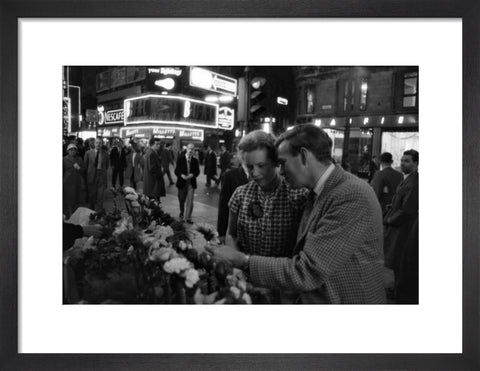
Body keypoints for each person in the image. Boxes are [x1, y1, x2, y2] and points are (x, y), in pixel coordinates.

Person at [209, 124, 386, 304]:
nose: (282, 171)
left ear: (303, 155)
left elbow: (308, 270)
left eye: (282, 163)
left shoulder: (350, 194)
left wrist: (244, 261)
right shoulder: (318, 192)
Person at [227, 130, 309, 258]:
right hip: (244, 274)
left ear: (275, 162)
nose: (254, 172)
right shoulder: (240, 194)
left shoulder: (298, 196)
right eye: (249, 166)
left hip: (282, 274)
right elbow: (231, 235)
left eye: (261, 165)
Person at [383, 149, 419, 299]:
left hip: (404, 229)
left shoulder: (415, 182)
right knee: (398, 260)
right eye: (402, 160)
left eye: (407, 161)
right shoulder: (407, 178)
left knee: (402, 259)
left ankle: (400, 292)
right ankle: (397, 288)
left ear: (416, 163)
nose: (403, 163)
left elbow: (407, 210)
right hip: (399, 226)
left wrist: (390, 219)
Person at [216, 150, 249, 244]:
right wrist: (221, 233)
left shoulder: (262, 176)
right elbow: (223, 206)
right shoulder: (229, 176)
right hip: (237, 233)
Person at [174, 143, 200, 223]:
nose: (190, 150)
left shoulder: (195, 160)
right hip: (182, 183)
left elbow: (197, 171)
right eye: (189, 148)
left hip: (191, 183)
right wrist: (181, 175)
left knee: (190, 201)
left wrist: (192, 175)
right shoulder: (180, 159)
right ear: (186, 149)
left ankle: (188, 217)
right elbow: (176, 170)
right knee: (181, 199)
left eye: (192, 149)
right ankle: (182, 212)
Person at [84, 137, 109, 211]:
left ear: (102, 144)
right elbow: (85, 165)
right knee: (92, 197)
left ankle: (99, 214)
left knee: (100, 197)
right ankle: (91, 213)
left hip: (101, 176)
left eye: (100, 143)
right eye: (97, 143)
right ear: (94, 144)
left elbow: (107, 166)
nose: (98, 144)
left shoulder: (106, 154)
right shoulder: (88, 153)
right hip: (91, 177)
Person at [63, 143, 85, 218]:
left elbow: (84, 170)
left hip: (77, 182)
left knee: (77, 200)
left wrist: (79, 168)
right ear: (68, 151)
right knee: (68, 200)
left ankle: (75, 215)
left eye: (74, 150)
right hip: (67, 183)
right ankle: (69, 215)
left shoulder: (79, 159)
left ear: (76, 151)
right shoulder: (64, 159)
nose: (72, 151)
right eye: (71, 150)